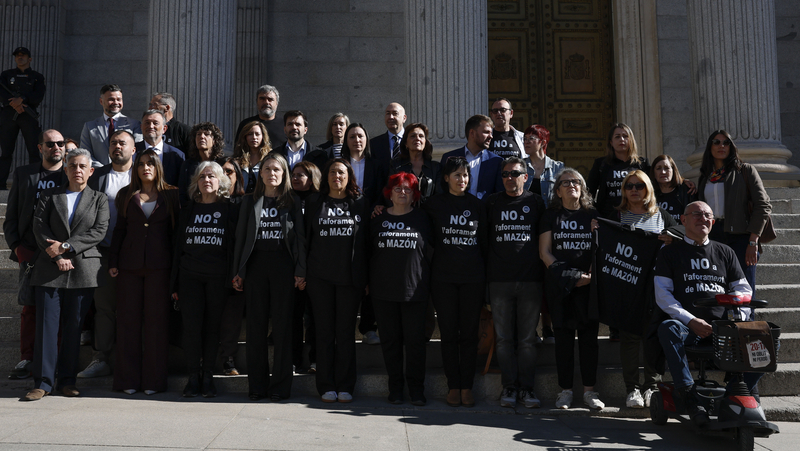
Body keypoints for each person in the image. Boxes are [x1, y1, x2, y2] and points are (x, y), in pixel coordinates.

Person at [655, 201, 753, 425]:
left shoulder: (725, 251)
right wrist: (691, 321)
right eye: (697, 214)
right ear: (683, 220)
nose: (703, 218)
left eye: (708, 215)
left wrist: (738, 318)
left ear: (713, 222)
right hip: (687, 328)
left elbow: (743, 290)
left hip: (724, 327)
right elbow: (663, 295)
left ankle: (734, 392)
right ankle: (689, 395)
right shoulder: (669, 252)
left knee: (768, 337)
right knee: (668, 328)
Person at [22, 148, 109, 401]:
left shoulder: (99, 199)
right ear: (66, 169)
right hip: (49, 269)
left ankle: (67, 381)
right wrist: (57, 256)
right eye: (73, 166)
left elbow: (99, 231)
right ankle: (43, 383)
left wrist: (67, 247)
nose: (77, 170)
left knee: (74, 328)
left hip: (83, 270)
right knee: (47, 328)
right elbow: (39, 228)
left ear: (91, 171)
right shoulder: (50, 196)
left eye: (82, 166)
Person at [232, 153, 306, 401]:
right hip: (255, 269)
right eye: (267, 169)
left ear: (284, 174)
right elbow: (240, 238)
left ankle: (281, 386)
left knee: (283, 328)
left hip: (283, 268)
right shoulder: (249, 201)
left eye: (277, 169)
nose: (272, 173)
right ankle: (257, 386)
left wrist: (301, 270)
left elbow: (300, 239)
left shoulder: (292, 201)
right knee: (256, 328)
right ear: (260, 173)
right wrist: (238, 271)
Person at [110, 149, 180, 395]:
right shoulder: (126, 194)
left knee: (156, 323)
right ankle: (127, 380)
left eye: (150, 163)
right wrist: (113, 261)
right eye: (141, 164)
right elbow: (120, 229)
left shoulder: (172, 194)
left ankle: (154, 382)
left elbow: (176, 234)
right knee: (127, 322)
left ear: (158, 167)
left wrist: (176, 269)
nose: (145, 168)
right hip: (129, 266)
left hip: (160, 267)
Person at [422, 156, 487, 407]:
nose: (462, 179)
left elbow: (484, 243)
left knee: (469, 335)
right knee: (448, 334)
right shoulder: (434, 204)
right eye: (457, 175)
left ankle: (467, 387)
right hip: (443, 279)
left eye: (465, 175)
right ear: (446, 177)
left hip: (473, 279)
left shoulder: (477, 205)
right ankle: (453, 386)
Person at [538, 168, 604, 410]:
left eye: (576, 182)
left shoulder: (593, 215)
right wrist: (571, 276)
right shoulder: (550, 215)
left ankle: (589, 392)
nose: (571, 185)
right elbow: (544, 252)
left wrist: (589, 276)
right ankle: (565, 391)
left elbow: (600, 250)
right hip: (560, 286)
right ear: (557, 191)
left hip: (588, 286)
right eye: (565, 183)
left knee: (589, 340)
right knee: (563, 340)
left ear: (582, 188)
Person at [303, 158, 369, 403]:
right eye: (332, 172)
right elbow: (305, 239)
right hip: (319, 278)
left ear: (349, 176)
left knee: (345, 334)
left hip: (349, 280)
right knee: (324, 333)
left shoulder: (359, 203)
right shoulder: (314, 202)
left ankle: (345, 385)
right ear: (326, 176)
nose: (336, 176)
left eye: (341, 172)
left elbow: (366, 242)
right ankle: (326, 385)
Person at [4, 129, 67, 380]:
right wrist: (17, 247)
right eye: (50, 144)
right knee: (30, 307)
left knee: (59, 309)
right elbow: (11, 215)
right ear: (40, 148)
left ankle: (56, 359)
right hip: (30, 252)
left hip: (61, 252)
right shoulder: (25, 174)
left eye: (60, 143)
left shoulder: (71, 174)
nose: (56, 148)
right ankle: (27, 357)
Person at [172, 161, 238, 398]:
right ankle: (193, 377)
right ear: (196, 183)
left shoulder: (230, 209)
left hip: (218, 278)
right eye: (202, 177)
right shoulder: (188, 210)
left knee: (212, 329)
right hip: (189, 277)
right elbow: (177, 248)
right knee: (191, 329)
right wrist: (174, 283)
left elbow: (234, 247)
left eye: (211, 176)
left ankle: (208, 376)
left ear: (220, 181)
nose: (207, 180)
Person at [486, 156, 546, 409]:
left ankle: (527, 389)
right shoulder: (491, 202)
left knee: (527, 340)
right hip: (499, 280)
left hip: (530, 280)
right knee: (503, 339)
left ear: (525, 176)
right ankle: (509, 387)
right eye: (505, 174)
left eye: (515, 173)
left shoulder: (536, 202)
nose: (509, 178)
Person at [612, 170, 676, 408]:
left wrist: (672, 238)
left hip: (656, 285)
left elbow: (681, 236)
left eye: (639, 185)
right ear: (623, 190)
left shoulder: (662, 215)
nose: (634, 190)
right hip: (626, 285)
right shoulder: (616, 215)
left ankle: (652, 387)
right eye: (629, 186)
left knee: (653, 337)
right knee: (629, 338)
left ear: (648, 188)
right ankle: (632, 389)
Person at [370, 172, 432, 406]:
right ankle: (395, 389)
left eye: (408, 189)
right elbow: (368, 251)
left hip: (415, 290)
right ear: (389, 193)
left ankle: (416, 390)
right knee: (390, 342)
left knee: (415, 344)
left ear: (415, 194)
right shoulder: (377, 217)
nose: (403, 192)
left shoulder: (424, 218)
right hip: (383, 290)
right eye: (398, 188)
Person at [77, 130, 135, 379]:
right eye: (113, 143)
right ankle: (100, 358)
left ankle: (132, 359)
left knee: (135, 307)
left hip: (135, 253)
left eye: (122, 143)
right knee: (104, 307)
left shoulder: (143, 175)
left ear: (134, 149)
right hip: (102, 252)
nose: (117, 146)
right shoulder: (97, 176)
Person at [697, 130, 771, 294]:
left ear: (731, 147)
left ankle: (745, 314)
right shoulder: (705, 177)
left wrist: (753, 241)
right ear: (710, 147)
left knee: (743, 290)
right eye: (716, 142)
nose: (721, 146)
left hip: (741, 237)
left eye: (726, 143)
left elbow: (763, 205)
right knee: (717, 288)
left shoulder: (745, 170)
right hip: (713, 236)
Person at [341, 124, 384, 345]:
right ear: (346, 140)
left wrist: (376, 207)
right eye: (352, 136)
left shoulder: (377, 165)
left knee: (369, 274)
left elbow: (382, 193)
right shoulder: (339, 165)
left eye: (360, 136)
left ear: (366, 140)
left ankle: (368, 327)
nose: (357, 140)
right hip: (343, 226)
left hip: (370, 225)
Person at [290, 161, 321, 373]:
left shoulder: (319, 201)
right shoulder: (285, 200)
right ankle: (294, 359)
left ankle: (314, 359)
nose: (295, 178)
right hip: (291, 270)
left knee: (315, 318)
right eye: (293, 174)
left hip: (315, 268)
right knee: (294, 317)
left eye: (301, 175)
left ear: (312, 179)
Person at [216, 157, 245, 376]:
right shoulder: (207, 202)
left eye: (229, 172)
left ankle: (228, 358)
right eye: (221, 172)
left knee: (232, 317)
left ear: (238, 176)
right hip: (211, 266)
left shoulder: (246, 203)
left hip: (236, 269)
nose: (225, 175)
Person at [0, 46, 45, 185]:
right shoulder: (6, 75)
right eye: (17, 55)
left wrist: (22, 99)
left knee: (34, 151)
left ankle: (35, 183)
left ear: (29, 59)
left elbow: (38, 95)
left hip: (28, 115)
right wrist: (15, 104)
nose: (20, 57)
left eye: (23, 55)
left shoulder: (37, 77)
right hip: (8, 115)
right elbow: (1, 93)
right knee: (5, 152)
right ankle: (1, 184)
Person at [439, 115, 503, 200]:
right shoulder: (449, 158)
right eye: (486, 132)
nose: (490, 136)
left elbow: (499, 194)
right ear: (472, 133)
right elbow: (442, 189)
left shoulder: (496, 161)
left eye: (491, 133)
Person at [80, 84, 142, 167]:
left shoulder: (134, 124)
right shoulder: (90, 126)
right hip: (99, 172)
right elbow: (85, 153)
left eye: (119, 99)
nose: (116, 103)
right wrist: (104, 169)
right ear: (101, 101)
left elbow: (137, 151)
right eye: (111, 99)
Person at [388, 123, 440, 203]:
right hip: (403, 209)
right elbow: (389, 192)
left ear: (425, 142)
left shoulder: (436, 167)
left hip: (430, 210)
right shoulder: (396, 165)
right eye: (413, 136)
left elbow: (440, 195)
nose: (417, 139)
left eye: (421, 136)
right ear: (406, 143)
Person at [135, 109, 186, 186]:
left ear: (164, 129)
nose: (151, 126)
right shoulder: (132, 152)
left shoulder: (177, 155)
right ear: (141, 127)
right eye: (147, 123)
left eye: (155, 123)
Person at [178, 122, 225, 206]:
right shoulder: (187, 165)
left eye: (206, 134)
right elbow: (182, 193)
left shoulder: (223, 163)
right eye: (198, 134)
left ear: (214, 140)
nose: (202, 137)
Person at [522, 124, 563, 206]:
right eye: (525, 138)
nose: (526, 142)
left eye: (531, 138)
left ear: (543, 143)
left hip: (549, 212)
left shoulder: (557, 167)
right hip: (525, 211)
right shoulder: (520, 166)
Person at [651, 154, 696, 223]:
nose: (663, 172)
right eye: (658, 168)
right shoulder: (649, 194)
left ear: (673, 170)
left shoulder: (687, 191)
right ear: (653, 172)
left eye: (666, 168)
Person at [233, 121, 271, 193]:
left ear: (263, 136)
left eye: (257, 134)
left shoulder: (269, 158)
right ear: (245, 137)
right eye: (250, 134)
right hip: (241, 198)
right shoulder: (237, 159)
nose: (254, 137)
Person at [370, 103, 407, 171]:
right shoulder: (374, 144)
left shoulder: (413, 141)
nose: (391, 117)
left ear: (404, 118)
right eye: (388, 113)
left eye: (395, 113)